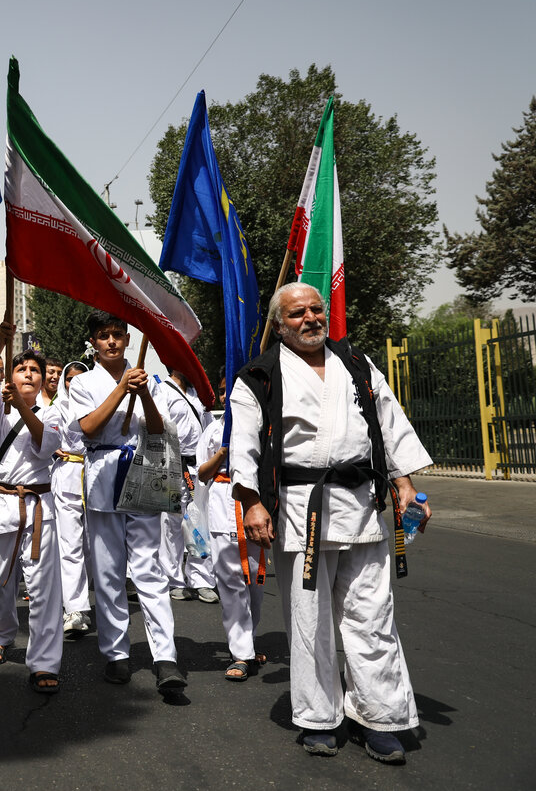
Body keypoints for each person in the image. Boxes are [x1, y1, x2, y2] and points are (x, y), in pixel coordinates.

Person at [230, 282, 433, 764]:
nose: (310, 319)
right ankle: (320, 717)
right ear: (279, 325)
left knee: (372, 617)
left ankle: (379, 717)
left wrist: (403, 481)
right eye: (297, 313)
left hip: (361, 504)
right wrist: (252, 503)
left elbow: (389, 422)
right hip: (302, 509)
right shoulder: (259, 375)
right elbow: (244, 444)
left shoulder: (357, 364)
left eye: (317, 309)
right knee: (310, 621)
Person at [67, 311, 186, 694]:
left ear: (128, 339)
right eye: (104, 336)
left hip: (143, 470)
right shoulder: (83, 383)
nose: (112, 341)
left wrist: (145, 392)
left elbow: (156, 429)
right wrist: (121, 391)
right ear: (94, 344)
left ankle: (165, 658)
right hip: (103, 474)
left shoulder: (149, 380)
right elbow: (88, 427)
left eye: (118, 334)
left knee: (149, 569)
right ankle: (116, 653)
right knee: (107, 571)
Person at [0, 322, 64, 693]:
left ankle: (44, 661)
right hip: (2, 500)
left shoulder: (56, 410)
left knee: (44, 588)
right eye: (21, 368)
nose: (28, 373)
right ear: (9, 375)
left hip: (40, 506)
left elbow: (45, 443)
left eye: (35, 371)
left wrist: (24, 408)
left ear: (44, 380)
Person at [196, 372, 266, 682]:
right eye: (223, 392)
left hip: (253, 503)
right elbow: (202, 472)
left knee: (254, 580)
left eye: (232, 391)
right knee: (230, 580)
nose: (226, 397)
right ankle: (241, 653)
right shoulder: (213, 430)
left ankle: (248, 641)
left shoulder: (262, 427)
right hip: (222, 501)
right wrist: (223, 452)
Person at [152, 367, 218, 603]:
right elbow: (158, 426)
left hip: (196, 466)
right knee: (170, 524)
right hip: (171, 463)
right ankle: (173, 578)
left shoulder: (198, 393)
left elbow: (209, 427)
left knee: (199, 521)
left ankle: (201, 578)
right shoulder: (161, 388)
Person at [50, 360, 92, 639]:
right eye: (69, 378)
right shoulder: (56, 409)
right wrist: (53, 449)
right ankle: (74, 609)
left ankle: (94, 600)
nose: (73, 383)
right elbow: (42, 436)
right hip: (66, 478)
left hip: (94, 475)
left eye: (79, 378)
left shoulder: (97, 404)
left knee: (93, 545)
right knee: (70, 544)